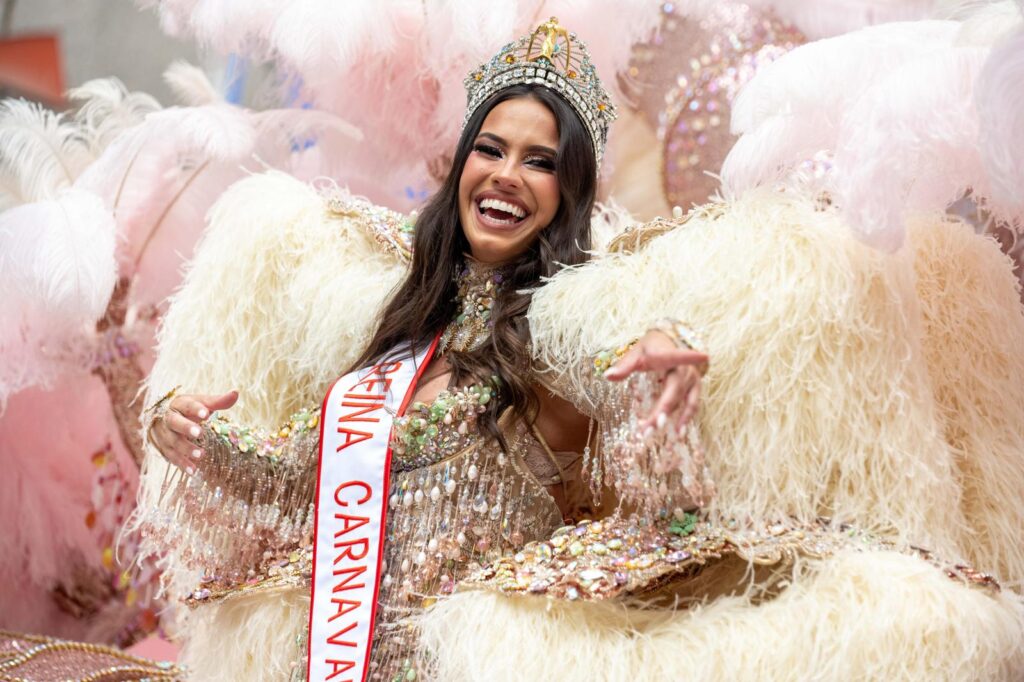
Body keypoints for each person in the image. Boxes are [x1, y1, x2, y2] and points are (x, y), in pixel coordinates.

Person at [137, 17, 1024, 682]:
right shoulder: (397, 340)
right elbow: (308, 480)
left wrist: (664, 399)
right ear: (459, 175)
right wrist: (197, 440)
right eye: (490, 149)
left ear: (568, 195)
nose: (506, 174)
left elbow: (657, 517)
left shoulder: (563, 335)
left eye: (539, 160)